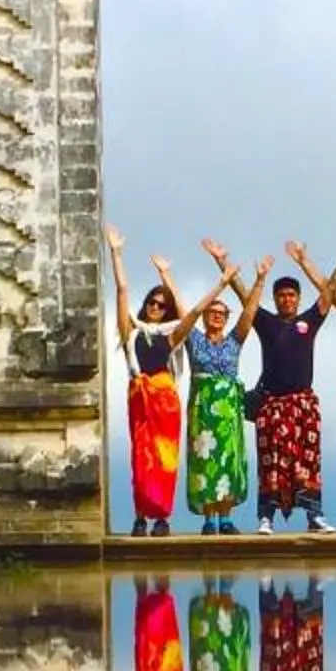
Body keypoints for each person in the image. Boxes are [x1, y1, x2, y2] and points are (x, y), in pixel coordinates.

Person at [105, 227, 234, 536]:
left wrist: (219, 284)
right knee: (141, 459)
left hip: (166, 403)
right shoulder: (131, 332)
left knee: (166, 460)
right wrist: (116, 253)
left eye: (162, 305)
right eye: (152, 302)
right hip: (141, 398)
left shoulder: (172, 335)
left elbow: (194, 313)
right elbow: (122, 291)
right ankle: (140, 517)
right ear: (146, 304)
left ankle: (162, 518)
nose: (156, 308)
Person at [252, 243, 336, 531]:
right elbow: (245, 299)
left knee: (307, 462)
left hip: (302, 404)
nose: (286, 300)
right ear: (275, 298)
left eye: (291, 295)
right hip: (272, 404)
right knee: (270, 463)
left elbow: (329, 291)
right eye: (281, 295)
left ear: (298, 298)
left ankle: (314, 516)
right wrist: (227, 266)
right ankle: (266, 517)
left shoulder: (309, 320)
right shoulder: (266, 321)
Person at [183, 243, 268, 535]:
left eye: (222, 312)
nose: (217, 315)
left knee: (229, 459)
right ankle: (209, 520)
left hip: (229, 408)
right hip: (203, 408)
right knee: (205, 459)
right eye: (212, 311)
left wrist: (259, 280)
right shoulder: (194, 339)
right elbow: (186, 311)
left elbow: (252, 311)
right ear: (206, 314)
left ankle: (226, 518)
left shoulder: (234, 341)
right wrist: (166, 274)